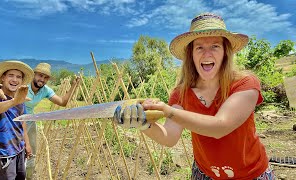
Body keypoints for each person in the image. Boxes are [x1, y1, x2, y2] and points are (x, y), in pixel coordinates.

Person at [114, 13, 275, 179]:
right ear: (191, 54)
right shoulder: (181, 93)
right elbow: (169, 137)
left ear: (225, 52)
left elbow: (220, 126)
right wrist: (142, 124)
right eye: (199, 47)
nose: (207, 54)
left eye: (215, 46)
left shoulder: (245, 84)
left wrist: (167, 111)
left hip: (251, 174)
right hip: (205, 174)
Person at [0, 62, 81, 179]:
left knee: (30, 153)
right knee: (8, 154)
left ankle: (28, 176)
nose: (42, 79)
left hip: (29, 122)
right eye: (40, 75)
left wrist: (73, 86)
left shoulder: (45, 90)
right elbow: (2, 87)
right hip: (13, 123)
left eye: (45, 77)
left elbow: (62, 102)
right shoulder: (23, 85)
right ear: (33, 75)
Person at [0, 60, 34, 180]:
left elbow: (22, 122)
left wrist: (27, 144)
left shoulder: (20, 101)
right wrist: (14, 101)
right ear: (3, 78)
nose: (15, 79)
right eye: (10, 75)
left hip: (19, 150)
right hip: (4, 153)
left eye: (18, 77)